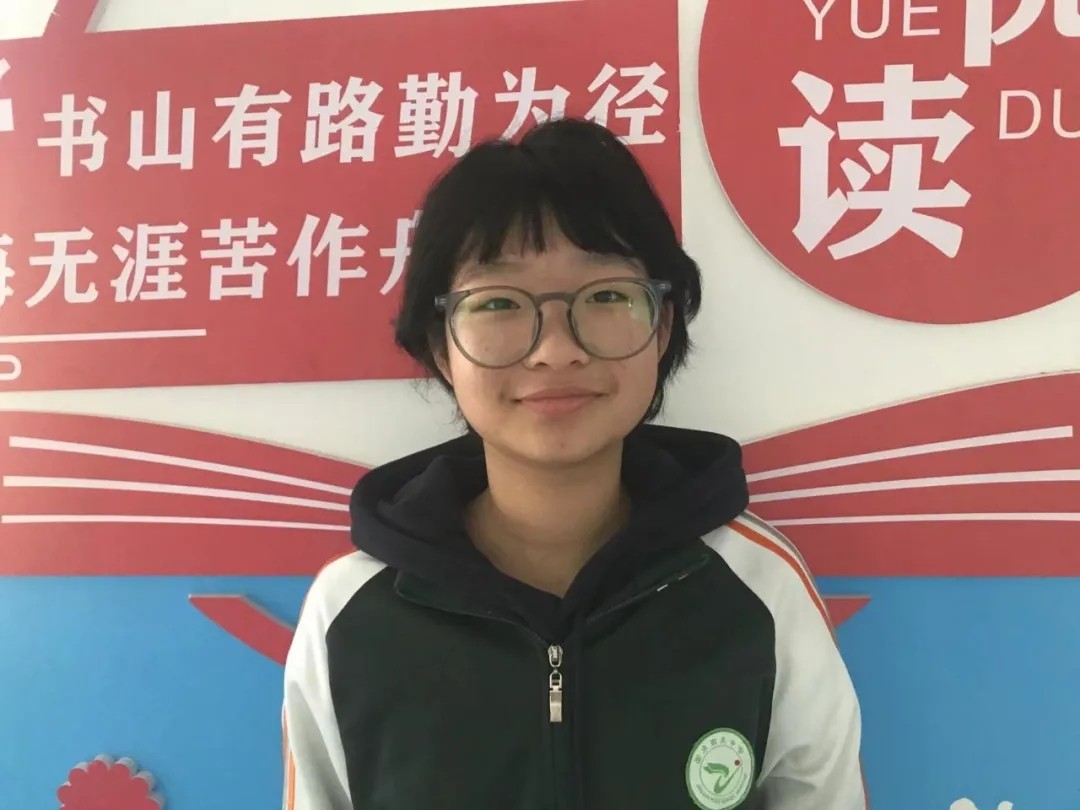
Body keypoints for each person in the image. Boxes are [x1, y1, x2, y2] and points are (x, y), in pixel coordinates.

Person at [281, 117, 866, 810]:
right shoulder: (350, 615)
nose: (555, 350)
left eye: (607, 296)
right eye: (499, 302)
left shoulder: (758, 590)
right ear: (442, 346)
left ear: (663, 327)